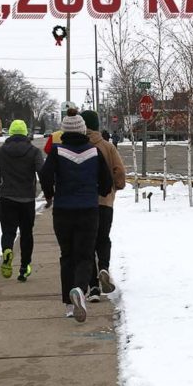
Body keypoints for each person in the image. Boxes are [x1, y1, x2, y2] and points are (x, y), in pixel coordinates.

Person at [40, 112, 113, 322]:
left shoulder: (57, 151)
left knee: (67, 256)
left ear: (64, 131)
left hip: (63, 210)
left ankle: (69, 305)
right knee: (85, 255)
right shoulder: (94, 151)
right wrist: (98, 190)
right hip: (88, 210)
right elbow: (106, 182)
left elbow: (45, 175)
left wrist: (50, 193)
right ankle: (80, 289)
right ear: (83, 130)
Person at [0, 119, 44, 282]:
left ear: (10, 133)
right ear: (25, 133)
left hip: (6, 198)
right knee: (26, 233)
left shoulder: (0, 151)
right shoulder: (34, 151)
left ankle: (7, 250)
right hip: (27, 198)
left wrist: (0, 180)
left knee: (8, 231)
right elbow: (42, 172)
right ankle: (24, 267)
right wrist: (49, 193)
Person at [80, 110, 126, 302]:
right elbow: (120, 170)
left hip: (84, 203)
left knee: (87, 244)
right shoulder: (108, 147)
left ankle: (93, 288)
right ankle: (104, 267)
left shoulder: (79, 147)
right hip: (105, 202)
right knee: (103, 238)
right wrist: (117, 186)